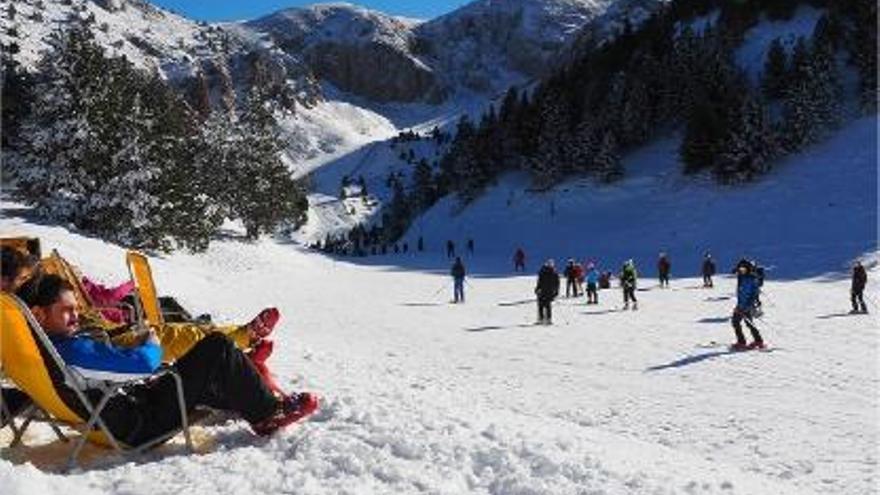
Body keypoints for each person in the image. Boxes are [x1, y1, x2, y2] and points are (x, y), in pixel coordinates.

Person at [15, 274, 319, 442]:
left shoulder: (41, 349)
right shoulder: (70, 350)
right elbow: (144, 364)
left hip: (119, 414)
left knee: (202, 369)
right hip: (139, 424)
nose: (75, 317)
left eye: (76, 309)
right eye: (66, 310)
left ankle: (247, 386)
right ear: (39, 314)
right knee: (215, 346)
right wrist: (152, 342)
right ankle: (268, 414)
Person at [730, 263, 764, 350]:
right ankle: (758, 340)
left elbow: (754, 294)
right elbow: (742, 294)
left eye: (743, 269)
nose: (741, 271)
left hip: (746, 305)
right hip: (742, 304)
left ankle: (742, 342)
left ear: (747, 269)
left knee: (735, 321)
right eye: (740, 269)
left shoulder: (751, 279)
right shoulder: (743, 278)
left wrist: (745, 306)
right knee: (749, 323)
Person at [535, 260, 560, 324]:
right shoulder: (554, 272)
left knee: (542, 305)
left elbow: (539, 282)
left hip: (544, 291)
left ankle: (542, 319)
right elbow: (557, 283)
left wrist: (537, 288)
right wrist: (556, 291)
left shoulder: (544, 272)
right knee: (547, 305)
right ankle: (547, 319)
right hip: (548, 291)